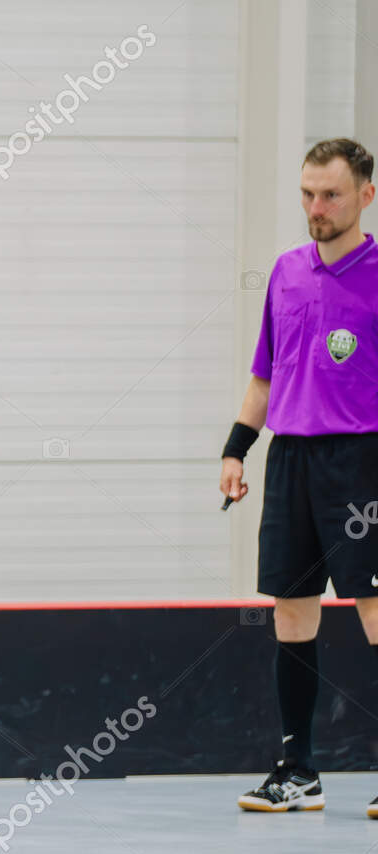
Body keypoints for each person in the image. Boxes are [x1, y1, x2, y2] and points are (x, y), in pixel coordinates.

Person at [220, 138, 378, 817]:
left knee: (375, 610)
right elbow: (265, 373)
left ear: (365, 195)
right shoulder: (286, 272)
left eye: (332, 194)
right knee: (291, 608)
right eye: (308, 193)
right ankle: (297, 770)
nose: (317, 207)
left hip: (362, 460)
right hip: (290, 456)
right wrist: (236, 449)